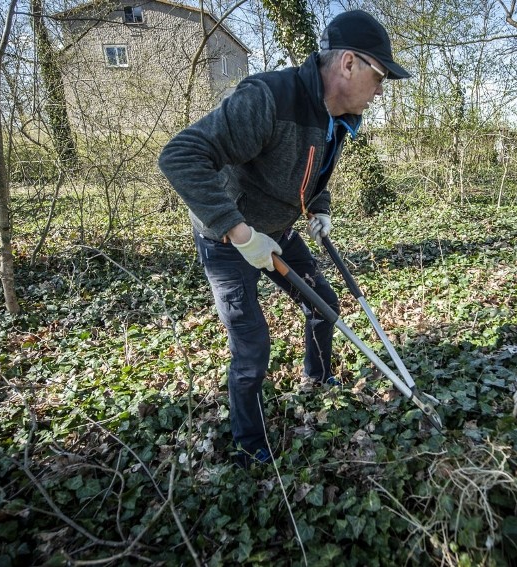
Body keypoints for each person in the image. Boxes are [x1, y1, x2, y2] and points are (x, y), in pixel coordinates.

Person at [158, 10, 410, 467]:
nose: (381, 89)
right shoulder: (270, 98)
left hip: (277, 231)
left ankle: (317, 378)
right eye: (379, 75)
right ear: (348, 64)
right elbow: (180, 155)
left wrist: (321, 208)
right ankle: (249, 441)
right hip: (228, 240)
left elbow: (310, 172)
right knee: (252, 345)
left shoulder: (337, 116)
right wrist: (238, 231)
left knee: (323, 304)